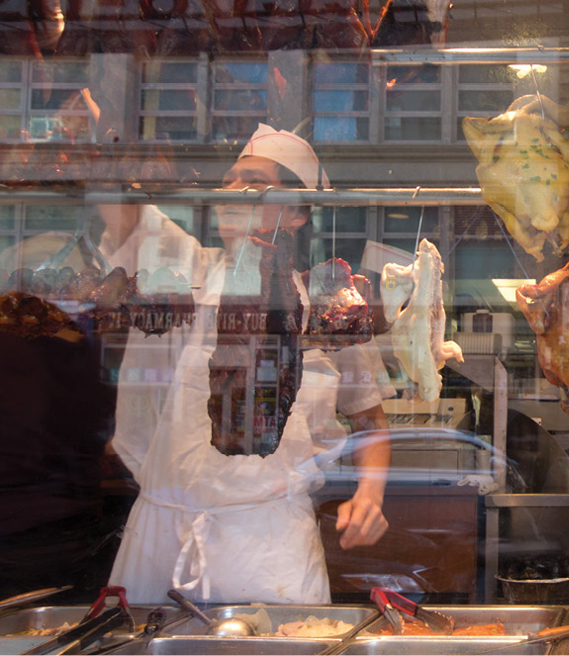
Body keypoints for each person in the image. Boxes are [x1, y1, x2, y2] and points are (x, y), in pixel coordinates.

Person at [107, 124, 393, 604]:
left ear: (298, 213)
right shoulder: (185, 270)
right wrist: (109, 115)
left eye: (252, 181)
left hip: (269, 543)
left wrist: (371, 495)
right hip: (162, 534)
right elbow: (120, 208)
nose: (232, 192)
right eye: (230, 180)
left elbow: (370, 420)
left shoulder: (328, 303)